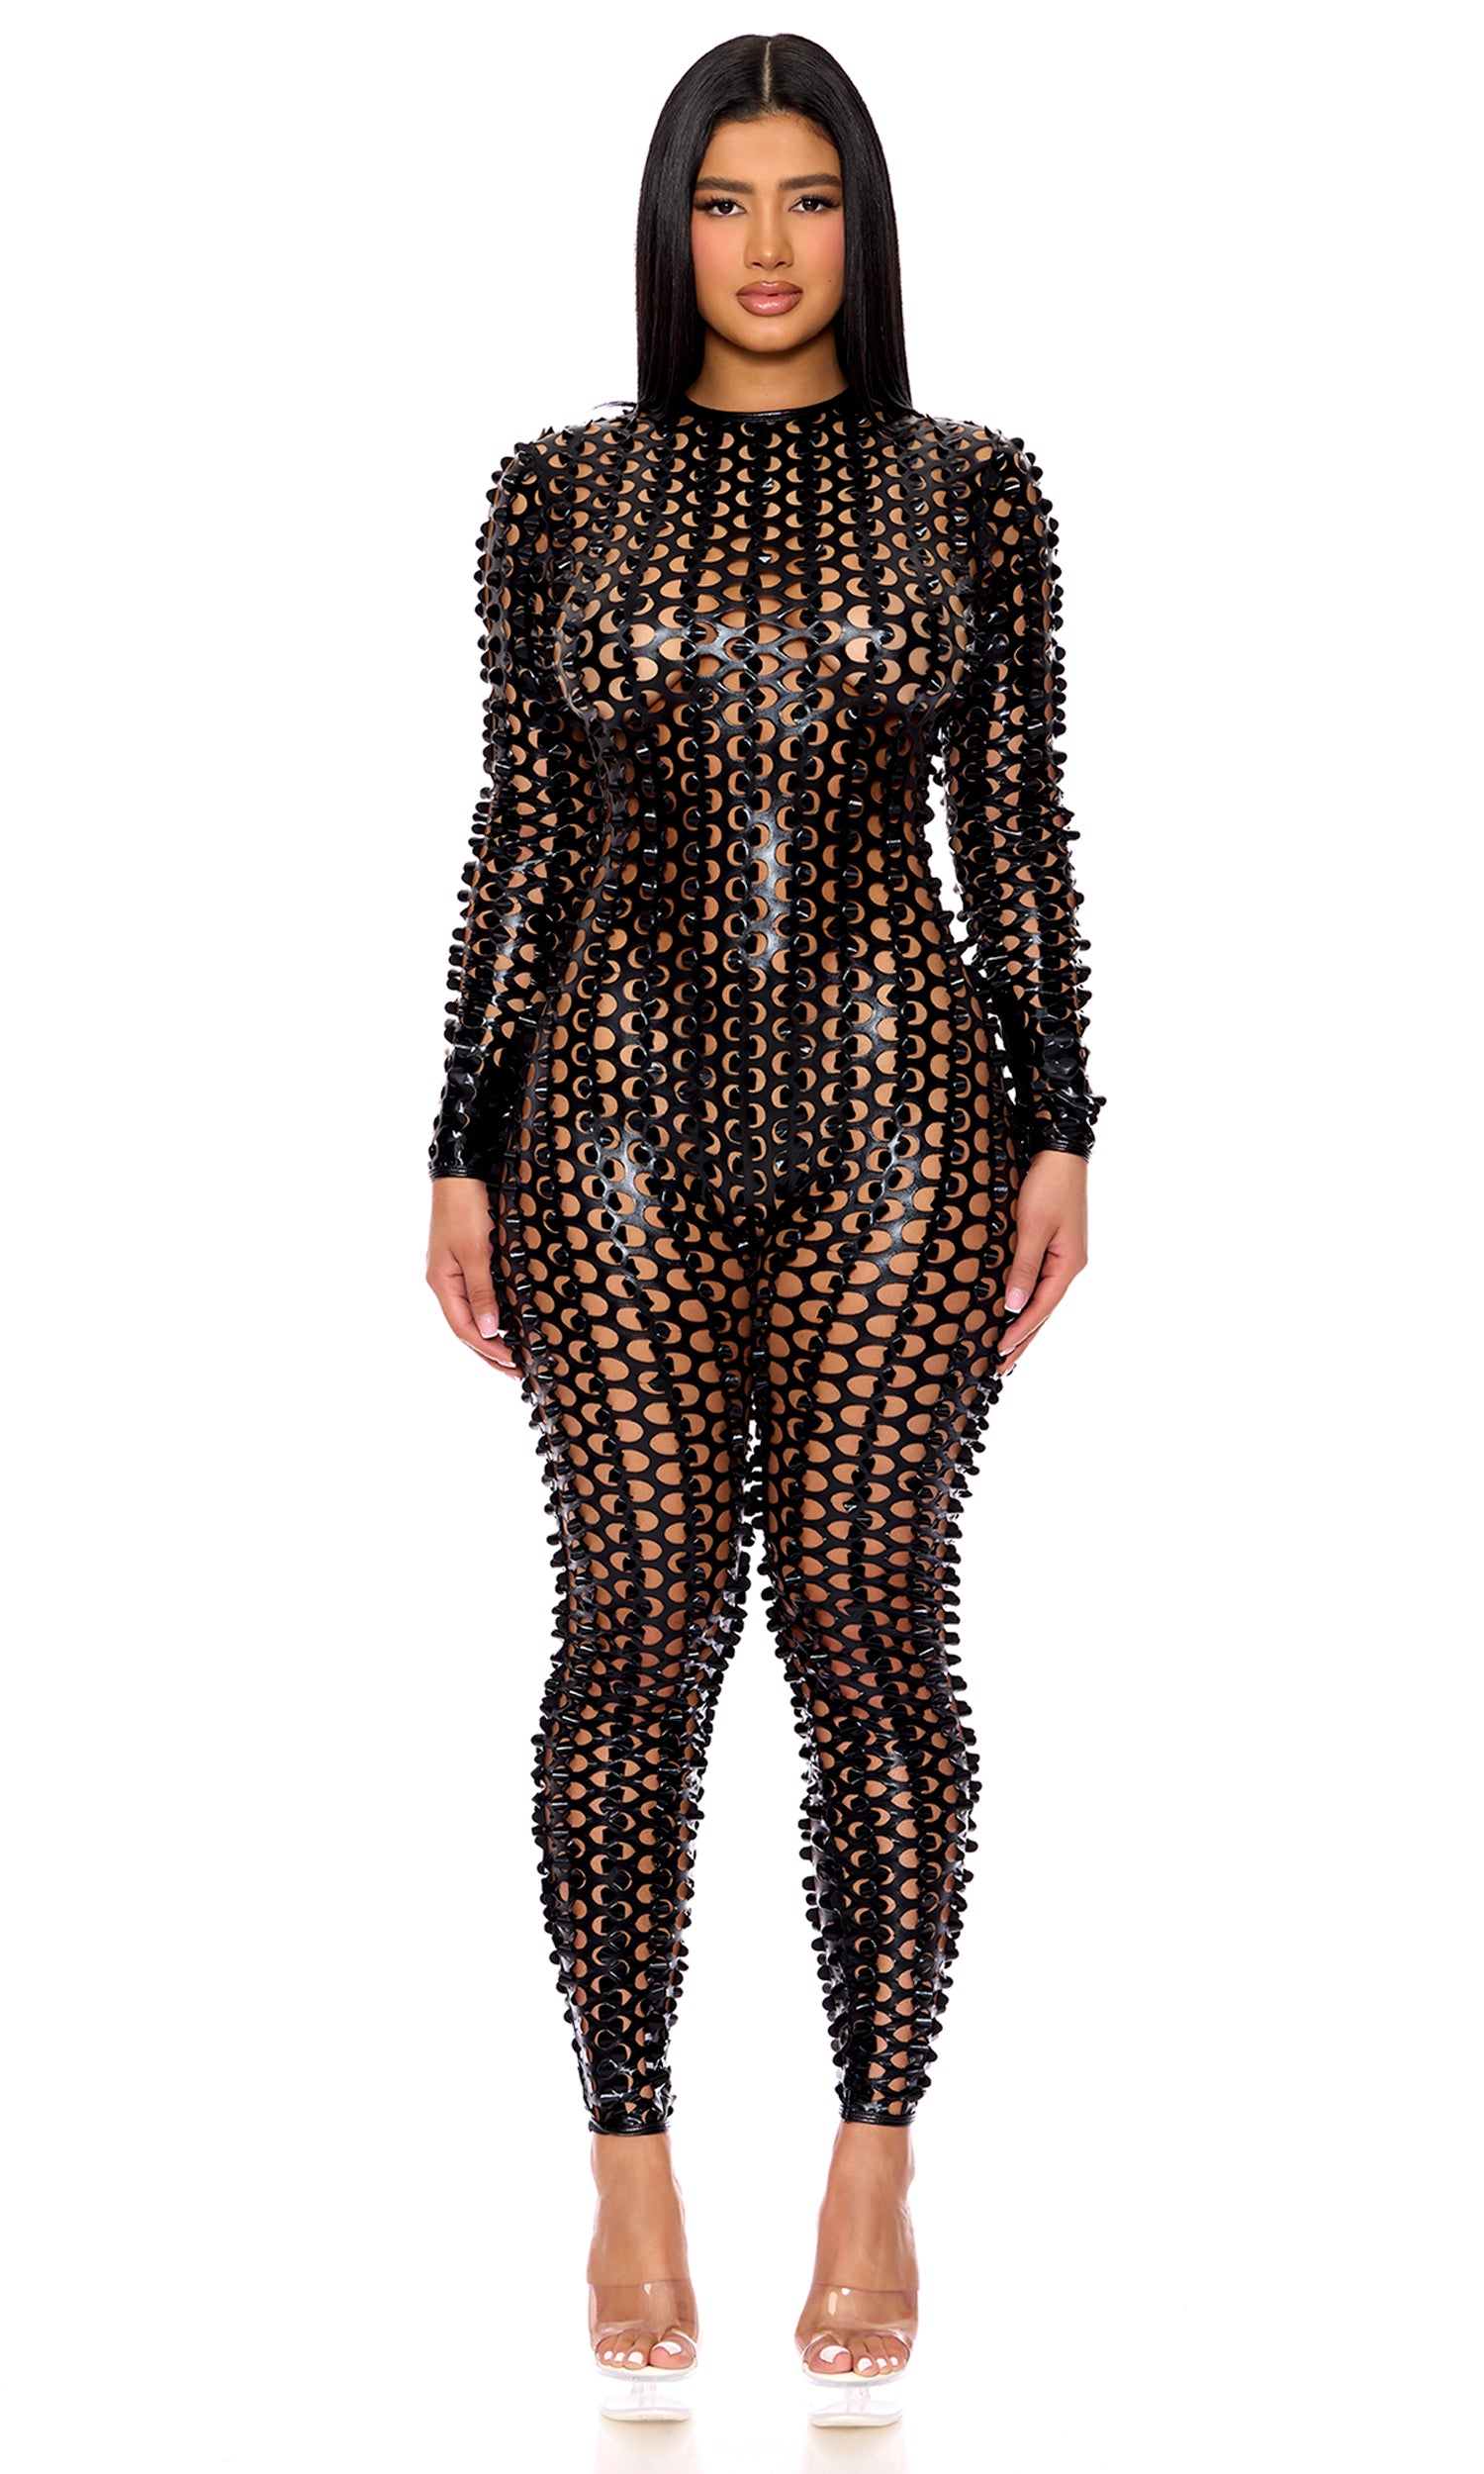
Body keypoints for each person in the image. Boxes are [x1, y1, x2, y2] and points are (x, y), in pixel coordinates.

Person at [423, 31, 1106, 2429]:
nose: (771, 245)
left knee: (865, 1624)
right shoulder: (557, 490)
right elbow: (520, 830)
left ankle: (872, 2165)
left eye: (812, 197)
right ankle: (627, 2170)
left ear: (865, 223)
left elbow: (1016, 819)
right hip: (603, 1110)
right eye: (727, 200)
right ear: (670, 227)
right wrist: (458, 1134)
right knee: (633, 1626)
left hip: (908, 1108)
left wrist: (1062, 1119)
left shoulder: (974, 486)